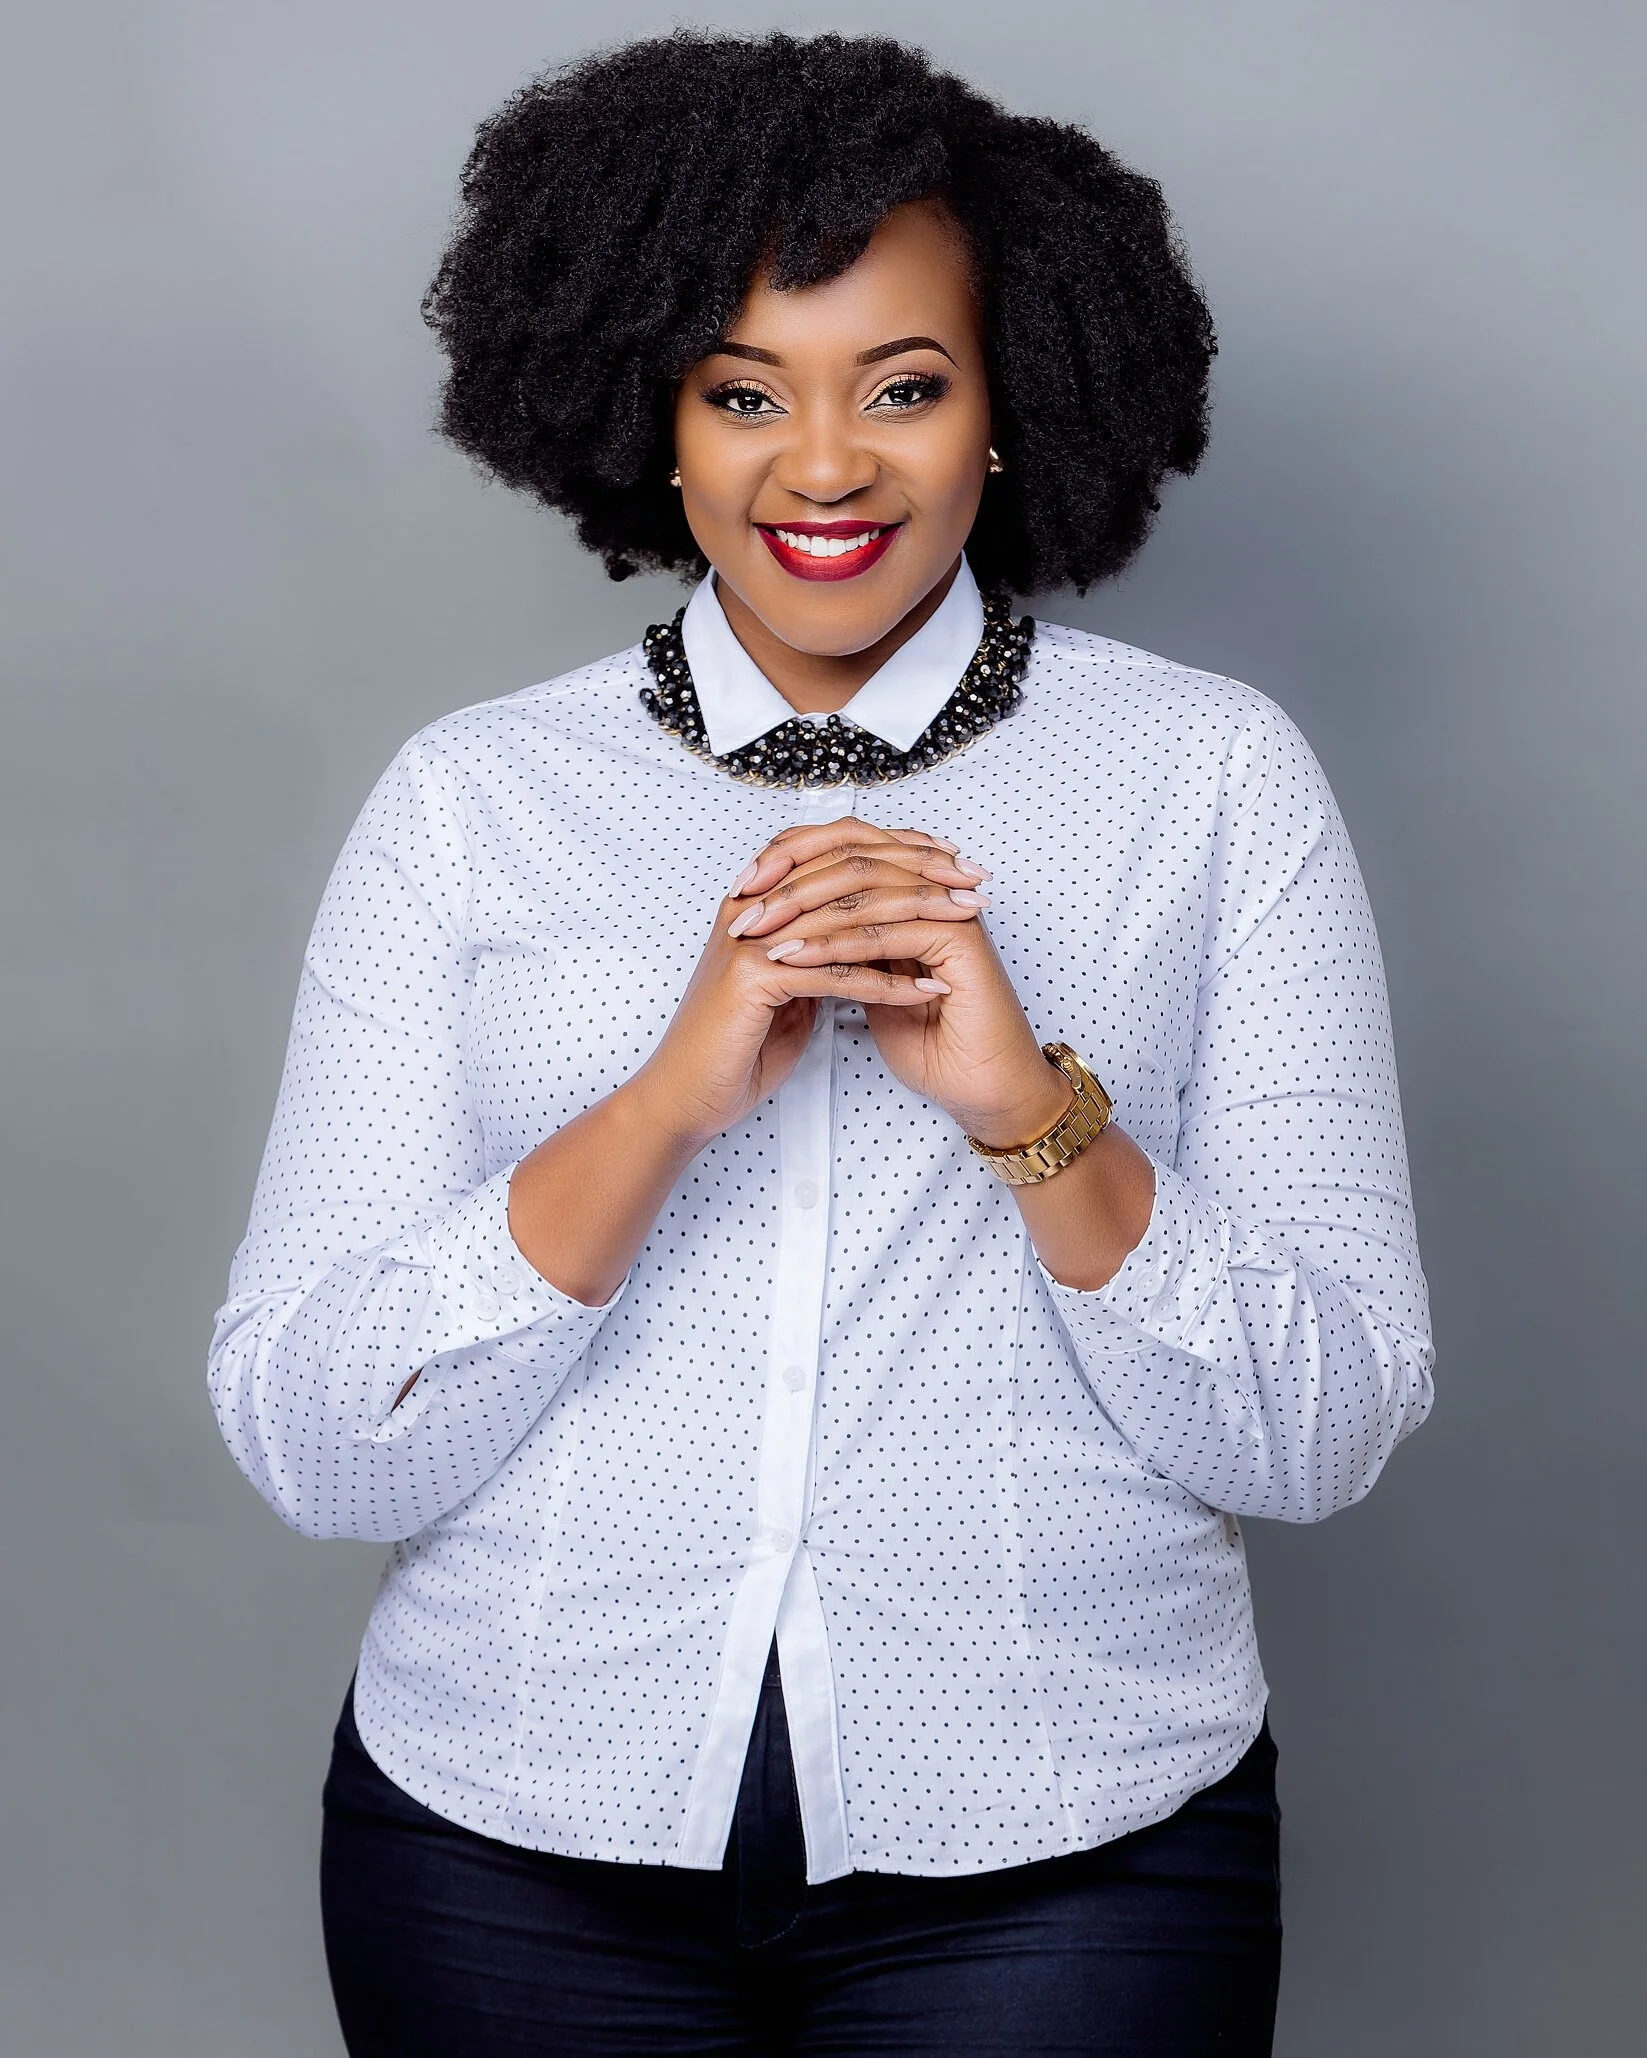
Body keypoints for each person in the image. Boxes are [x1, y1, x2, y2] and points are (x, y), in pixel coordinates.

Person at [208, 29, 1435, 2057]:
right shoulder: (471, 802)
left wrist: (1031, 1114)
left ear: (1011, 405)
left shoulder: (1208, 780)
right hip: (506, 1843)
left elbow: (1319, 1433)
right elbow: (314, 1438)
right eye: (743, 392)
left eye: (905, 386)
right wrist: (662, 1104)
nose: (828, 467)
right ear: (651, 418)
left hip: (1070, 1848)